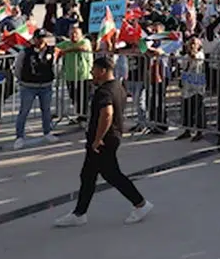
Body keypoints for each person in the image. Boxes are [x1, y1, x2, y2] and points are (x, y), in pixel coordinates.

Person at [54, 56, 153, 227]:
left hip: (104, 140)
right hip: (109, 137)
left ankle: (141, 204)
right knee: (88, 175)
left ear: (103, 71)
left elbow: (107, 114)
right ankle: (80, 213)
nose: (91, 72)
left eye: (94, 69)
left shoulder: (105, 92)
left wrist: (98, 139)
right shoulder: (118, 87)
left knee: (112, 174)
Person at [13, 30, 59, 150]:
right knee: (24, 111)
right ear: (34, 39)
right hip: (28, 86)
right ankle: (19, 137)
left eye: (43, 38)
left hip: (46, 85)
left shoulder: (52, 51)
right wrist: (20, 79)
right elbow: (18, 66)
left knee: (46, 110)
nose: (41, 40)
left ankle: (47, 132)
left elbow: (55, 65)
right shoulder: (26, 52)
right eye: (39, 38)